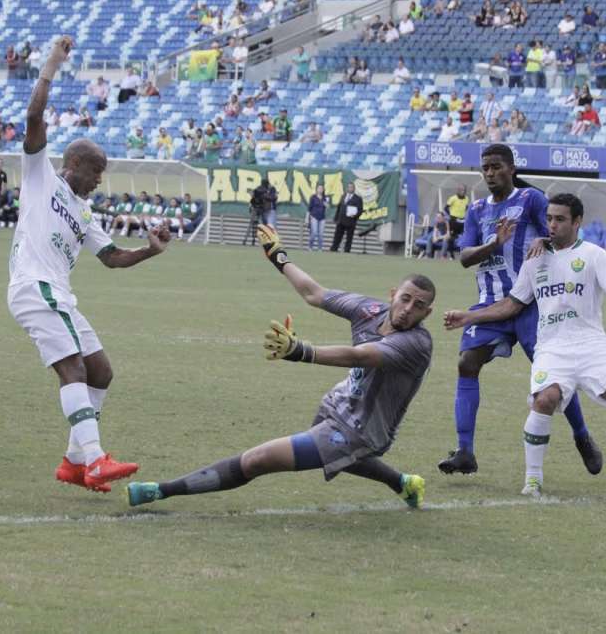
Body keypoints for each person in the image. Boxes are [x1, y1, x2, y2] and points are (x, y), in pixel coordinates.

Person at [126, 227, 434, 510]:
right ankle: (403, 483)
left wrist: (302, 351)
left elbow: (360, 356)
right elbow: (314, 293)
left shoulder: (416, 344)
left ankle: (162, 490)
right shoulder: (370, 310)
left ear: (427, 312)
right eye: (405, 299)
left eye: (418, 306)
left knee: (258, 459)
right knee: (340, 458)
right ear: (393, 294)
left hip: (362, 430)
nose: (408, 310)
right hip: (341, 403)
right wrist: (278, 256)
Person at [9, 36, 172, 493]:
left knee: (100, 371)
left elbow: (112, 258)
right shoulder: (41, 178)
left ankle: (73, 463)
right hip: (32, 286)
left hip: (58, 294)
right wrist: (52, 64)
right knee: (73, 371)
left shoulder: (83, 211)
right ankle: (96, 459)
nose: (99, 182)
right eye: (96, 172)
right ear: (74, 163)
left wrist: (150, 252)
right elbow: (34, 117)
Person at [442, 193, 606, 501]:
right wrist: (469, 316)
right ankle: (533, 481)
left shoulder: (595, 255)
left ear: (577, 222)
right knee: (545, 400)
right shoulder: (535, 260)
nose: (552, 224)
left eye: (560, 219)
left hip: (592, 344)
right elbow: (512, 304)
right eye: (550, 219)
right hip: (552, 348)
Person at [437, 144, 601, 478]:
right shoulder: (477, 210)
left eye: (496, 166)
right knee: (467, 363)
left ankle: (582, 436)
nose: (490, 173)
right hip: (491, 302)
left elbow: (563, 234)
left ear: (511, 168)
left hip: (533, 305)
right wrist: (494, 244)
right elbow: (465, 257)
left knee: (554, 378)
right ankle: (465, 451)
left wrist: (546, 241)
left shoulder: (531, 200)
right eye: (485, 168)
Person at [330, 181, 363, 253]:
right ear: (347, 188)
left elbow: (360, 210)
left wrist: (355, 215)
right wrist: (336, 218)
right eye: (349, 187)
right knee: (337, 236)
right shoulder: (343, 196)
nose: (350, 188)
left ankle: (347, 251)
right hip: (341, 220)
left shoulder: (358, 198)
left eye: (352, 187)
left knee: (349, 238)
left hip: (350, 221)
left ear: (354, 189)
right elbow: (339, 208)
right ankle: (333, 249)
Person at [445, 184, 469, 256]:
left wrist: (465, 215)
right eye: (461, 190)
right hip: (454, 221)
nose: (463, 191)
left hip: (462, 221)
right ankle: (451, 255)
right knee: (451, 238)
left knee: (465, 237)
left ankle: (463, 253)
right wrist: (451, 215)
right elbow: (446, 208)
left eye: (464, 190)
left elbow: (466, 208)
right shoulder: (453, 198)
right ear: (458, 190)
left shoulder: (467, 198)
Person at [307, 184, 329, 251]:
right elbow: (309, 208)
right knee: (314, 232)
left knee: (321, 234)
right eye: (319, 188)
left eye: (322, 188)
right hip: (314, 216)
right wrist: (307, 218)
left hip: (322, 218)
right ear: (316, 189)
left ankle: (320, 248)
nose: (320, 190)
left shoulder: (325, 198)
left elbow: (327, 207)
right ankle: (310, 247)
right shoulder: (313, 197)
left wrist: (327, 205)